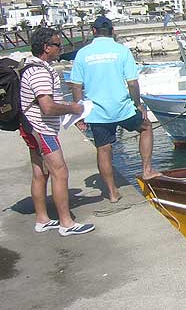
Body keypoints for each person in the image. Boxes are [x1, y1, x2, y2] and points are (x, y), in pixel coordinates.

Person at [69, 16, 160, 203]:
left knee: (103, 149)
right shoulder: (121, 51)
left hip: (97, 111)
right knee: (146, 127)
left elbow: (76, 86)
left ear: (93, 31)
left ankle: (112, 193)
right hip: (122, 107)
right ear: (112, 30)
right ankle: (147, 169)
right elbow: (133, 83)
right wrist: (138, 104)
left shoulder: (83, 54)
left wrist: (79, 113)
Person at [19, 27, 94, 236]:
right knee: (59, 172)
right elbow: (48, 107)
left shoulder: (31, 68)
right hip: (41, 130)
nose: (61, 49)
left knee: (39, 173)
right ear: (46, 48)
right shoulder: (40, 72)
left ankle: (42, 219)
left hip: (30, 128)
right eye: (57, 45)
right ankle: (66, 223)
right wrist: (74, 108)